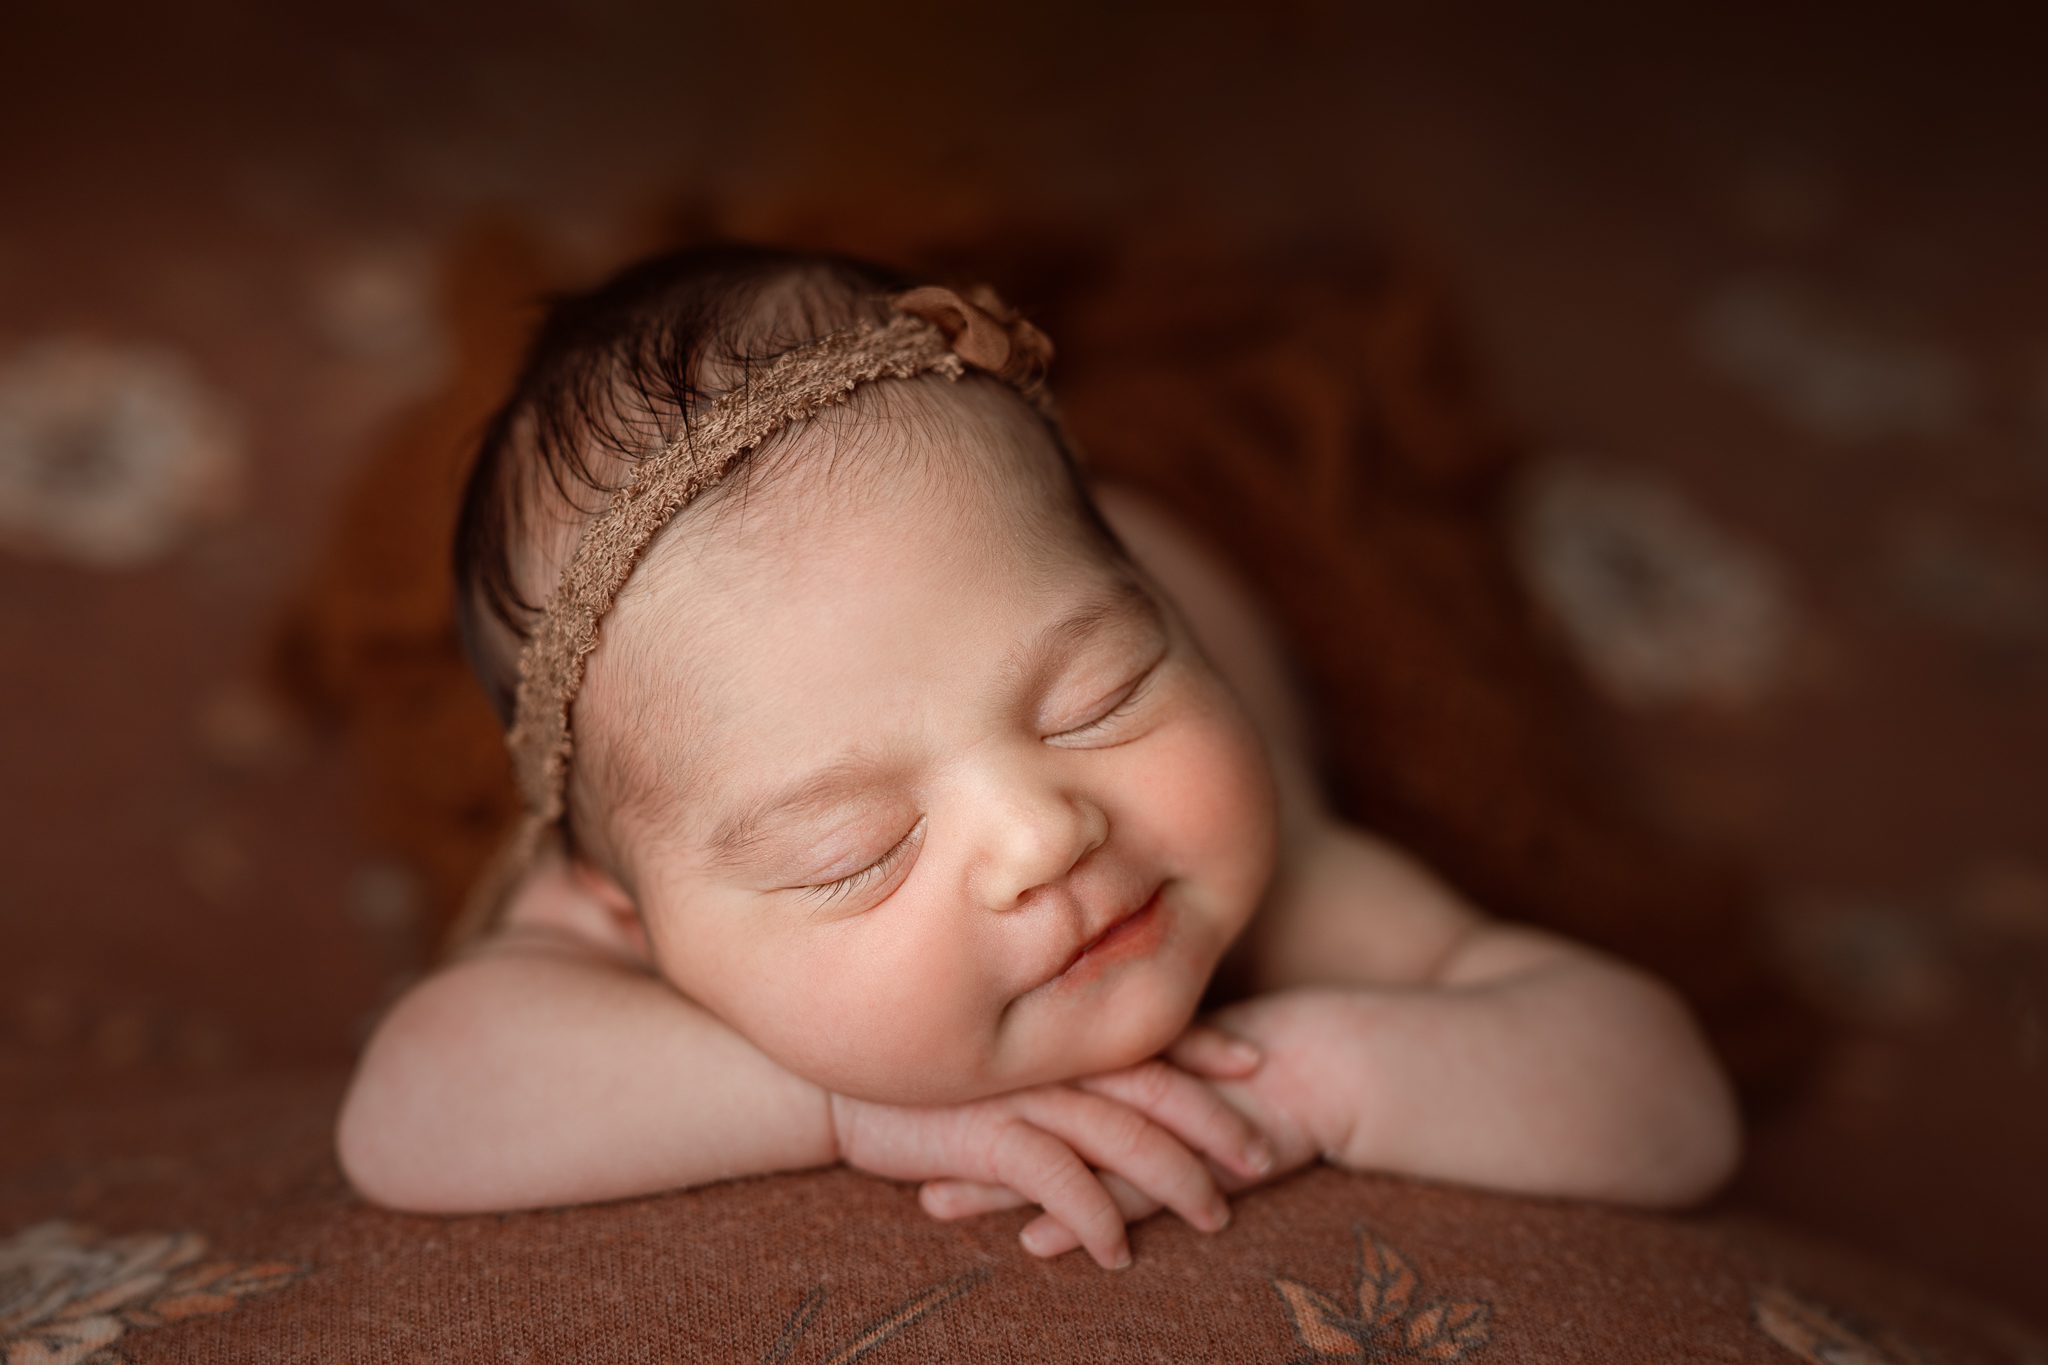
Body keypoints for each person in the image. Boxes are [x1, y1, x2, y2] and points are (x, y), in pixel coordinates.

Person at [335, 244, 1740, 1271]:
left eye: (1102, 694)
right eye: (856, 851)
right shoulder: (610, 879)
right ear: (623, 916)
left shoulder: (1270, 877)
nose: (1044, 833)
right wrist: (840, 1103)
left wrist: (1311, 1075)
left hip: (1144, 512)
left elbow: (1669, 1103)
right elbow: (410, 1107)